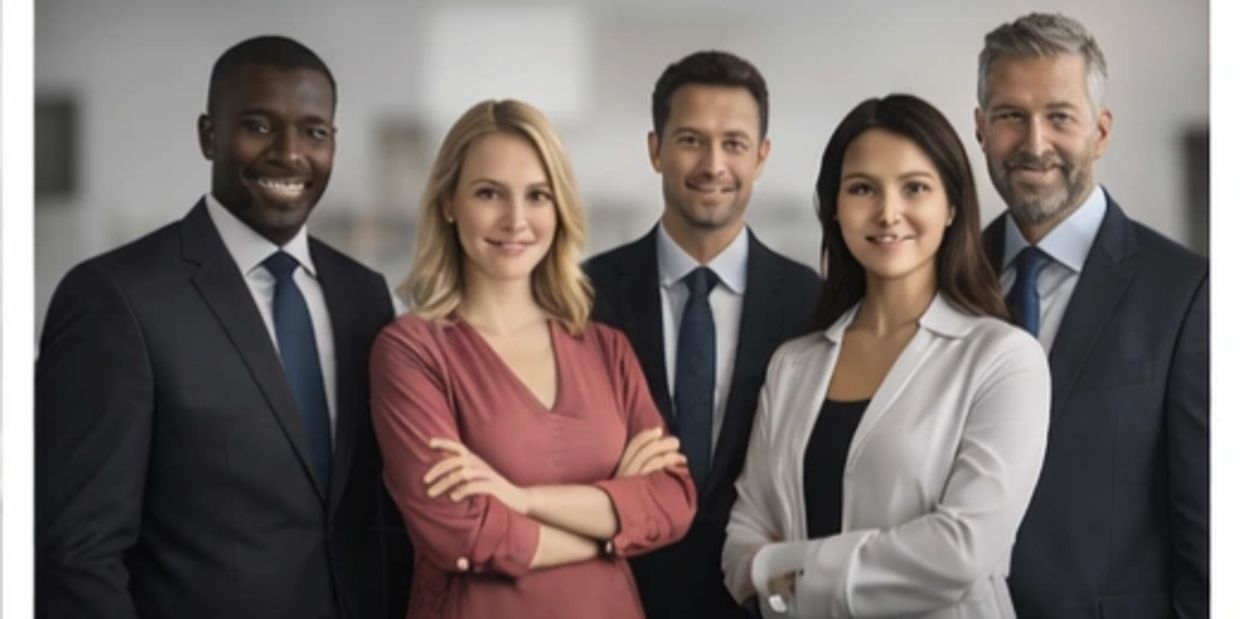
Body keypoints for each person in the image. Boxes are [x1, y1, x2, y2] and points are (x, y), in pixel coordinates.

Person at [35, 36, 411, 618]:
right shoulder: (116, 299)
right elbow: (76, 553)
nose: (289, 154)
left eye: (313, 132)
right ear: (209, 134)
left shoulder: (364, 296)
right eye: (259, 126)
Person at [722, 94, 1051, 618]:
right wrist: (765, 567)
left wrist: (786, 570)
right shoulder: (794, 364)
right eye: (861, 189)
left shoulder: (1004, 360)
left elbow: (960, 551)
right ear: (834, 207)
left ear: (951, 207)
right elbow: (742, 541)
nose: (887, 212)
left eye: (915, 188)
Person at [369, 98, 696, 619]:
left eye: (537, 195)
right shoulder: (412, 352)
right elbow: (463, 532)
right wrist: (611, 526)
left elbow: (672, 502)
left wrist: (519, 499)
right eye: (488, 193)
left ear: (559, 206)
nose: (516, 220)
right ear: (449, 203)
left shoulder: (606, 348)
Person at [973, 13, 1209, 618]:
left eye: (1059, 116)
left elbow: (1210, 530)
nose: (1033, 143)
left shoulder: (1186, 292)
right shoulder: (947, 280)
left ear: (1100, 132)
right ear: (979, 128)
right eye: (1009, 116)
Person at [584, 50, 820, 619]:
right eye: (691, 139)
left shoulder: (811, 301)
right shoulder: (583, 295)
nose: (713, 164)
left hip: (758, 601)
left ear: (761, 157)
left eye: (734, 143)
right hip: (617, 592)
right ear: (655, 149)